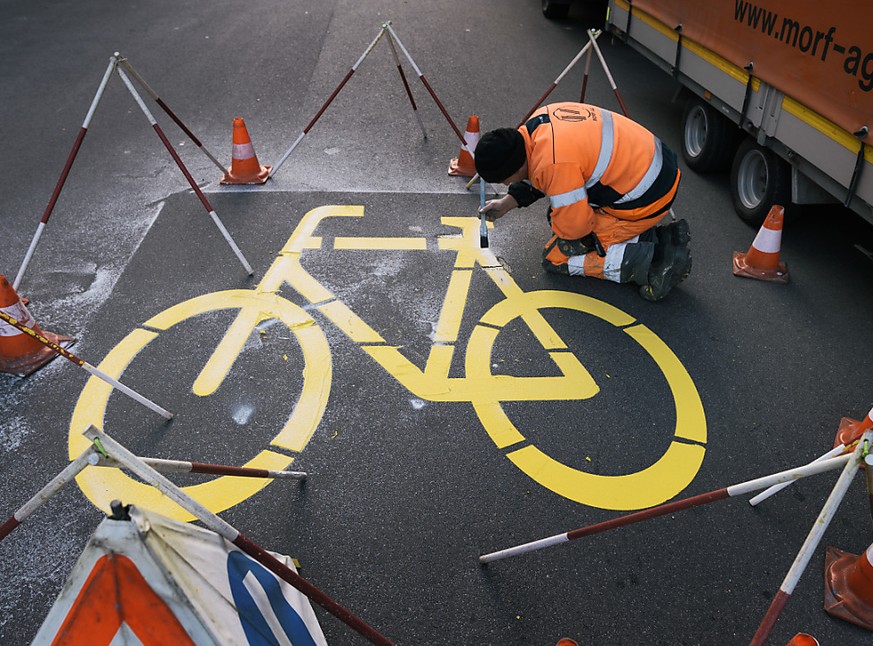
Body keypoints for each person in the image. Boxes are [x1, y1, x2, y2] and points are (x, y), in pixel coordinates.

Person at [475, 102, 691, 301]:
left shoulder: (554, 163)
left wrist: (575, 239)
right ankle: (659, 239)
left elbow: (576, 228)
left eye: (504, 180)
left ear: (513, 169)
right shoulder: (537, 124)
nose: (505, 183)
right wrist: (508, 202)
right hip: (658, 168)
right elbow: (542, 169)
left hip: (647, 198)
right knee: (558, 215)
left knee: (557, 257)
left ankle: (654, 261)